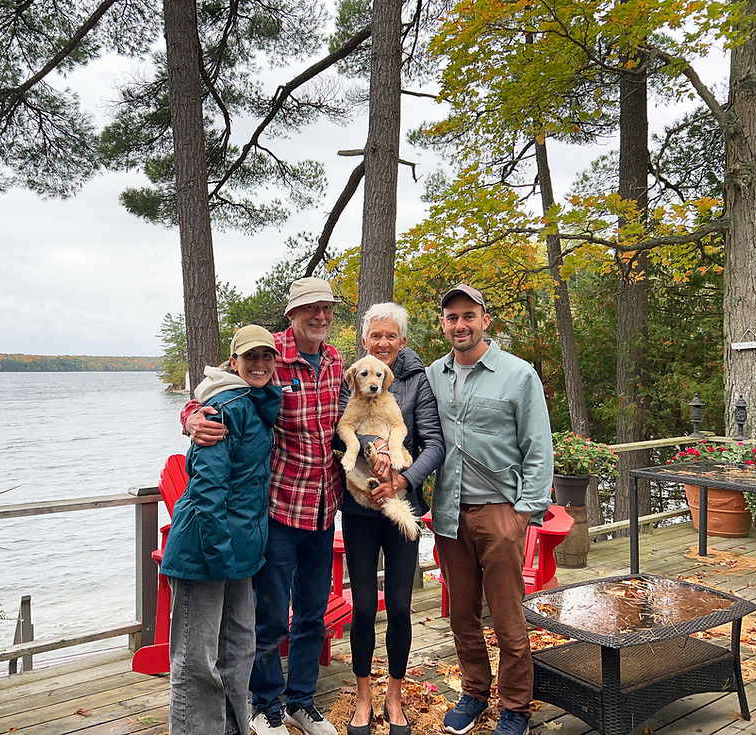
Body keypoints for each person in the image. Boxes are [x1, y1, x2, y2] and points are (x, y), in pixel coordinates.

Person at [182, 277, 344, 735]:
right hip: (278, 508)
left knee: (312, 613)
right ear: (291, 314)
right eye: (310, 308)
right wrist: (191, 417)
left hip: (323, 507)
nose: (320, 316)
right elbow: (213, 390)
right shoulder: (267, 352)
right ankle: (266, 704)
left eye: (326, 308)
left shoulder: (334, 359)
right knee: (271, 614)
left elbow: (350, 418)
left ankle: (302, 703)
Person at [426, 284, 554, 735]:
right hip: (448, 514)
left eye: (468, 315)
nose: (460, 325)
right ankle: (475, 692)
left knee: (506, 614)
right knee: (462, 613)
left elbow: (538, 447)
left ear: (485, 319)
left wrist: (524, 512)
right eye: (451, 317)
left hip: (501, 511)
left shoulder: (518, 376)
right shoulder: (432, 376)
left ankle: (515, 706)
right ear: (443, 324)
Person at [162, 325, 284, 735]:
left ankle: (233, 728)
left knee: (239, 649)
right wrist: (219, 556)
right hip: (205, 553)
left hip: (240, 552)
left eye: (267, 356)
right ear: (234, 362)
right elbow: (208, 489)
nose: (261, 364)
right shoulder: (221, 410)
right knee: (197, 660)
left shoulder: (258, 404)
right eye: (251, 357)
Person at [340, 303, 444, 735]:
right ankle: (363, 697)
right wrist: (367, 446)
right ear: (365, 340)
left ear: (402, 341)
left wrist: (403, 480)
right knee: (364, 606)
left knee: (399, 606)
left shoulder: (417, 382)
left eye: (391, 336)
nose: (382, 343)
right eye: (375, 336)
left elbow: (435, 443)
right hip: (360, 506)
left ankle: (394, 695)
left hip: (402, 504)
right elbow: (335, 430)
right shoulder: (351, 377)